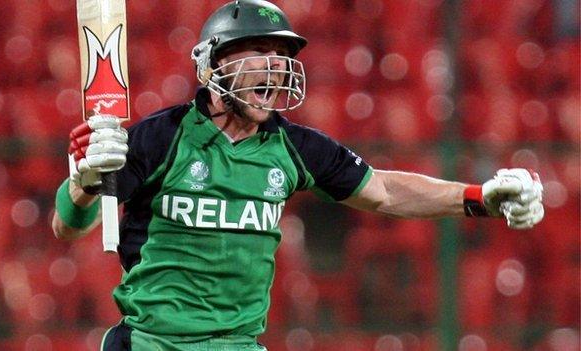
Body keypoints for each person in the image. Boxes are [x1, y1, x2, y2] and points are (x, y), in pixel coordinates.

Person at [51, 1, 545, 350]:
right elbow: (69, 226)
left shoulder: (294, 147)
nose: (277, 65)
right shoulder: (159, 138)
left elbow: (385, 191)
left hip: (239, 345)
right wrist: (88, 180)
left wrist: (479, 196)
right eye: (257, 50)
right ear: (211, 64)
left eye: (281, 54)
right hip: (151, 343)